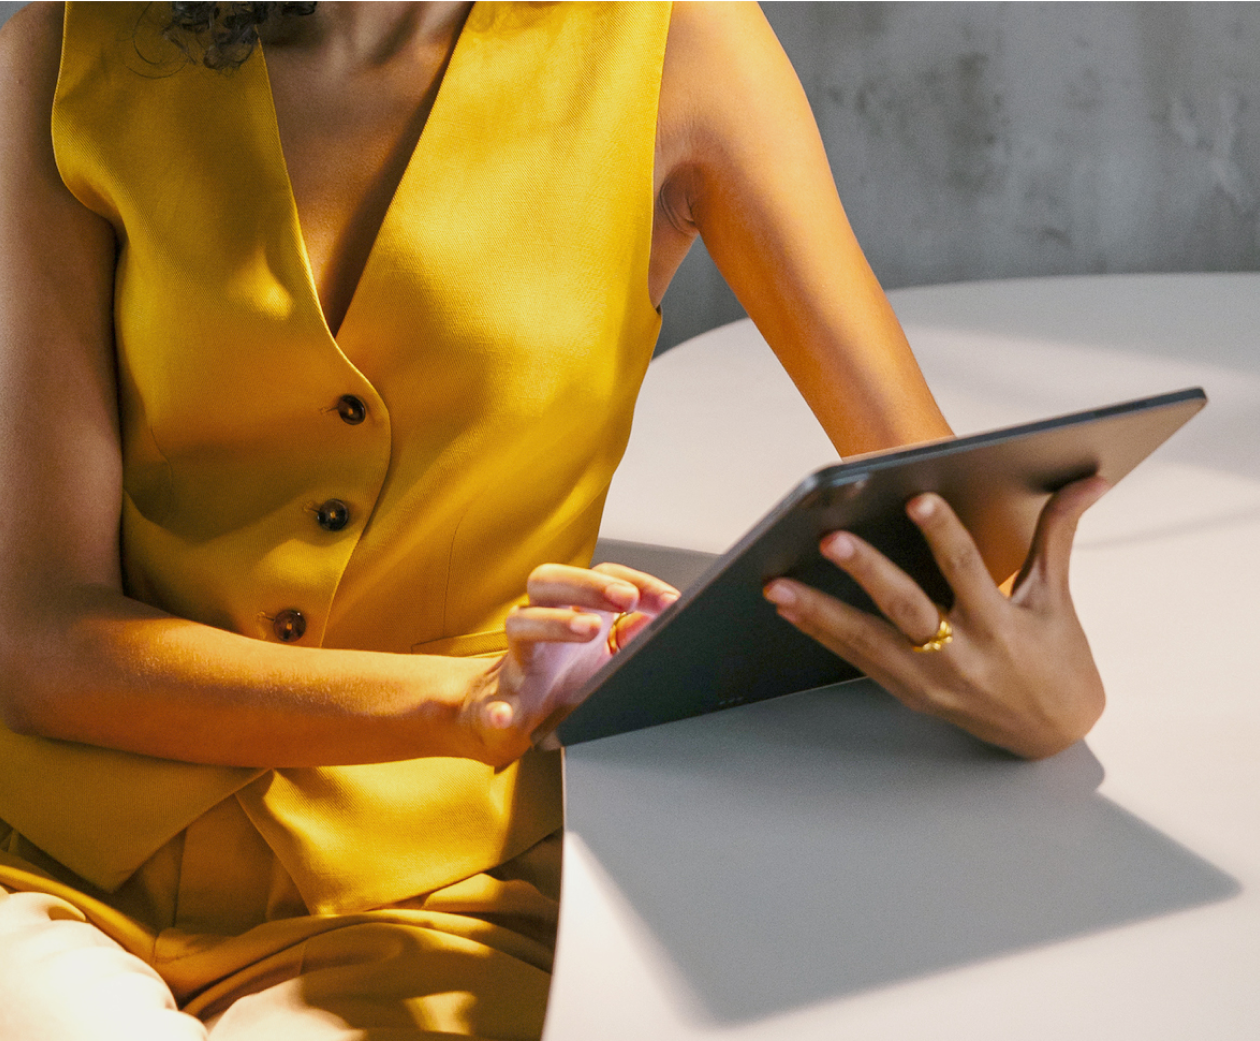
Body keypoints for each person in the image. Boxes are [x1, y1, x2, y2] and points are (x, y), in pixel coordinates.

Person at [0, 1, 1107, 1037]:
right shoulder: (67, 48)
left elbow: (945, 518)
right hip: (48, 869)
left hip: (439, 899)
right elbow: (42, 636)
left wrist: (1050, 694)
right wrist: (461, 703)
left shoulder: (674, 40)